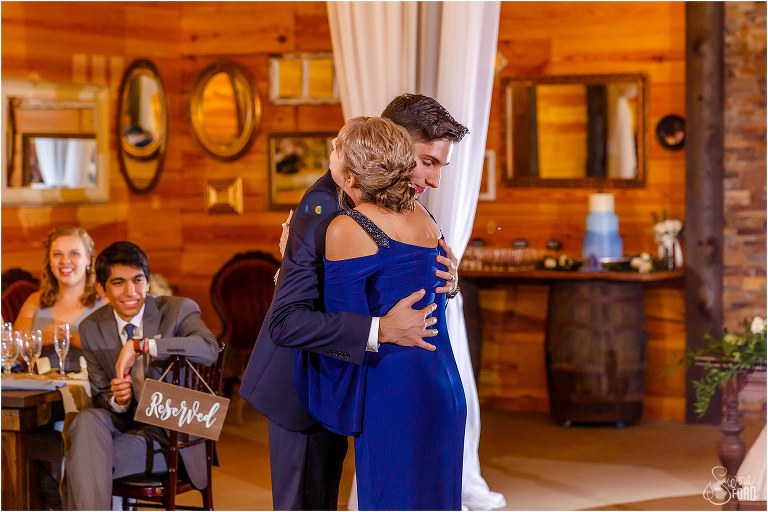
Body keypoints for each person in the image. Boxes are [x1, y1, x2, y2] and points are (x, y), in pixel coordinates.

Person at [240, 96, 467, 510]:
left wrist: (447, 284)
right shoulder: (323, 207)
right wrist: (379, 329)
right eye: (427, 162)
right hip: (304, 379)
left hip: (367, 374)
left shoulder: (406, 206)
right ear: (395, 147)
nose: (432, 179)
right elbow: (288, 319)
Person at [64, 241, 220, 510]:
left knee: (79, 464)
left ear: (148, 281)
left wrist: (142, 345)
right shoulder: (92, 327)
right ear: (101, 288)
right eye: (118, 282)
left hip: (172, 438)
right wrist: (118, 400)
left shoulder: (178, 310)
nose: (131, 292)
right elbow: (101, 396)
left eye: (138, 280)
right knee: (86, 420)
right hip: (122, 429)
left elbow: (209, 349)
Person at [14, 225, 105, 372]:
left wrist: (76, 340)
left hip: (90, 391)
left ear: (88, 259)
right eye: (57, 254)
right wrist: (41, 340)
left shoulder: (106, 303)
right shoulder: (34, 301)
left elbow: (117, 354)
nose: (65, 261)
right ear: (49, 261)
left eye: (74, 254)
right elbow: (11, 354)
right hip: (41, 390)